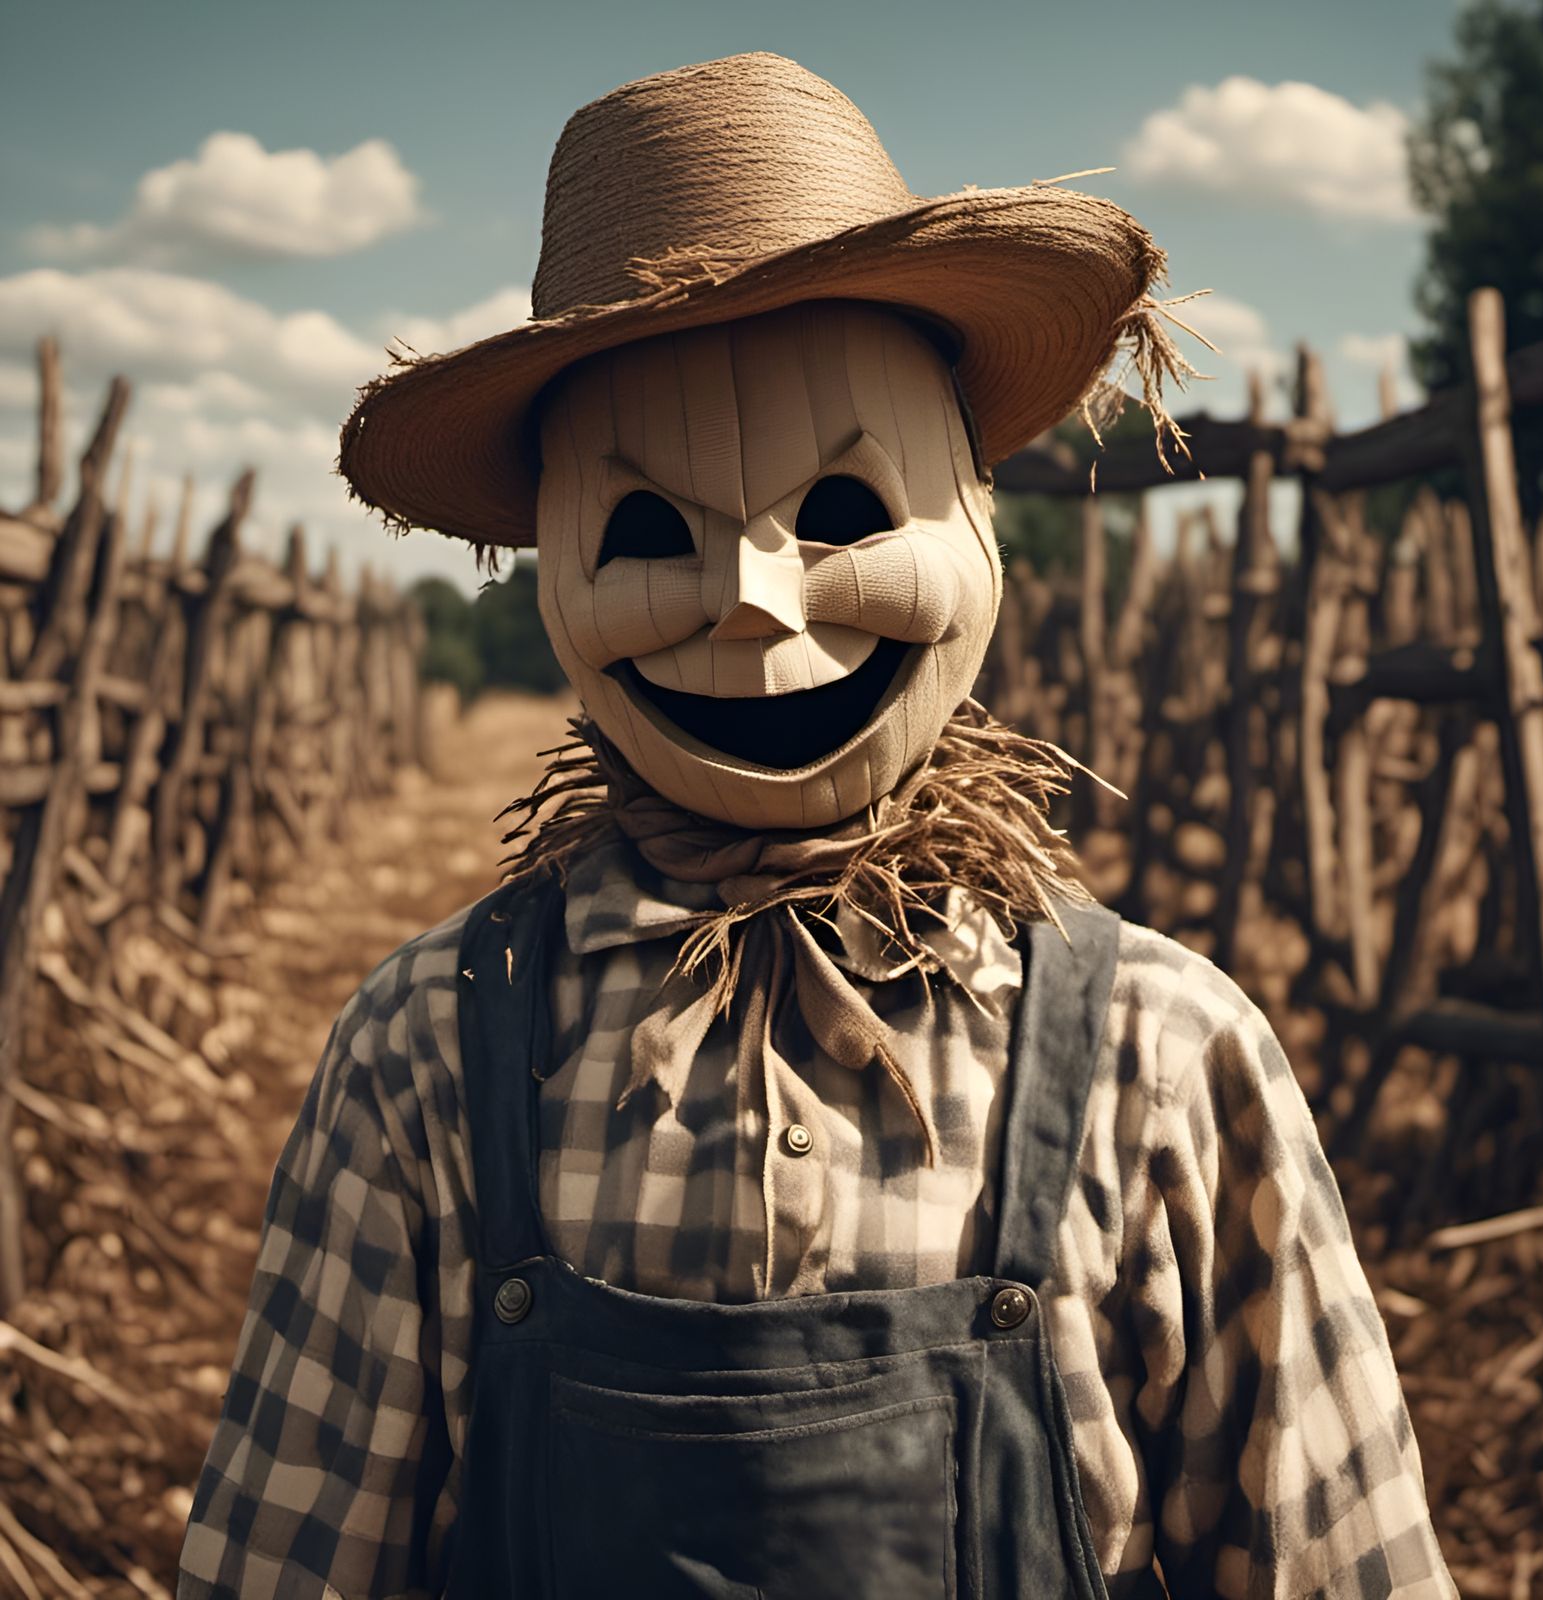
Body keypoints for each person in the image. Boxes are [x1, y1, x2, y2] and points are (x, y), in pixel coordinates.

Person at [178, 52, 1455, 1600]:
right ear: (555, 574)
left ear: (974, 520)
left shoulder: (1162, 1054)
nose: (756, 606)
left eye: (844, 513)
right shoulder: (428, 1058)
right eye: (652, 532)